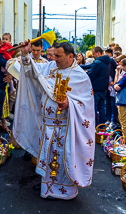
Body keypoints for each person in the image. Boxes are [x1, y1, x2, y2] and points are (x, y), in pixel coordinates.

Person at [14, 41, 95, 200]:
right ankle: (47, 186)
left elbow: (86, 106)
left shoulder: (80, 76)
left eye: (58, 56)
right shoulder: (50, 67)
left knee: (62, 158)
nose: (54, 59)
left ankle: (65, 190)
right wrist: (25, 55)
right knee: (48, 156)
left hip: (65, 127)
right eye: (54, 55)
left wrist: (69, 104)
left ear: (70, 56)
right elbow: (31, 73)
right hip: (47, 126)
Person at [81, 46, 110, 125]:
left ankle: (95, 126)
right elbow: (90, 66)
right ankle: (102, 125)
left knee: (94, 108)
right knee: (102, 108)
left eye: (93, 54)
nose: (92, 56)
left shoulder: (97, 62)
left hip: (96, 88)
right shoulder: (107, 61)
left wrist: (86, 73)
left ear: (98, 53)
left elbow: (91, 75)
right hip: (104, 88)